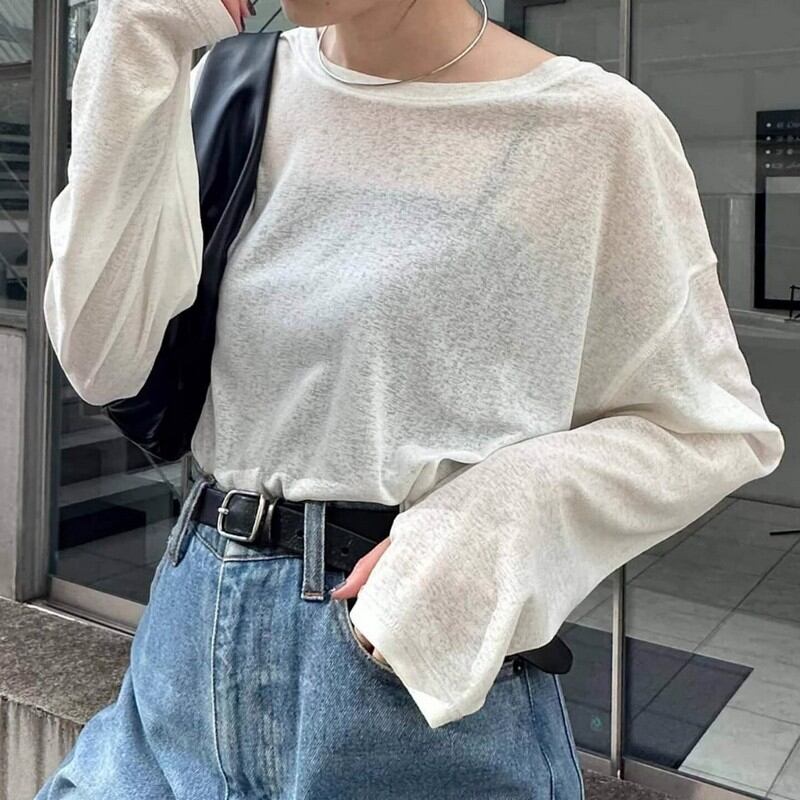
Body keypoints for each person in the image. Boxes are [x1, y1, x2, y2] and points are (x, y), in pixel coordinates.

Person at [35, 0, 785, 796]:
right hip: (186, 647)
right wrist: (136, 31)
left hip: (401, 685)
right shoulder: (233, 84)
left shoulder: (591, 127)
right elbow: (102, 360)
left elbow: (709, 428)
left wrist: (491, 526)